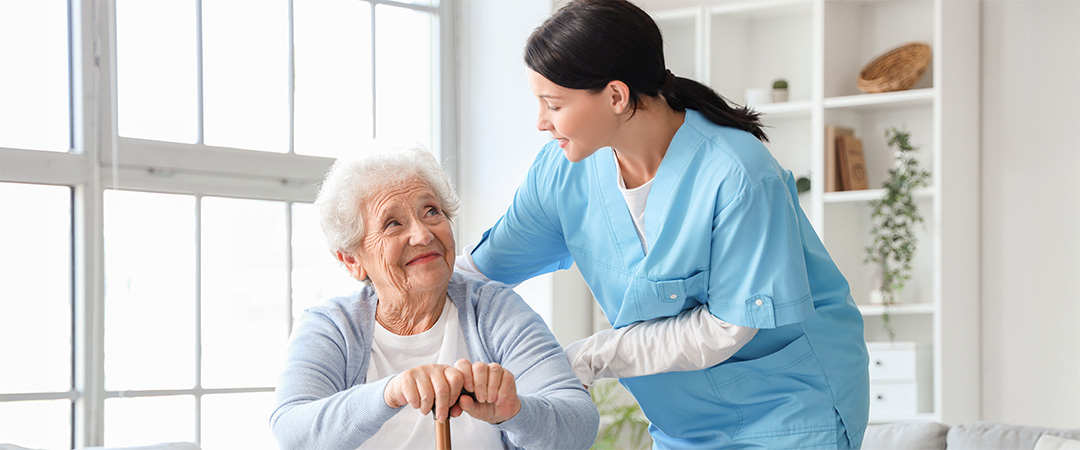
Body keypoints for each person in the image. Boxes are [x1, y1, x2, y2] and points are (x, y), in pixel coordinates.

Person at [456, 0, 870, 448]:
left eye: (552, 104)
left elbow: (725, 328)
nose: (540, 122)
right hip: (681, 422)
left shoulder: (737, 173)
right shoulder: (561, 172)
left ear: (616, 96)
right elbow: (476, 274)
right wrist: (379, 285)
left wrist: (585, 359)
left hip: (790, 410)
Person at [269, 146, 599, 450]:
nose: (424, 234)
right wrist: (391, 392)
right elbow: (292, 431)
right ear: (352, 260)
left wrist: (515, 411)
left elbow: (579, 426)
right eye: (393, 223)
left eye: (431, 211)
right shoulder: (332, 326)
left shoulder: (495, 309)